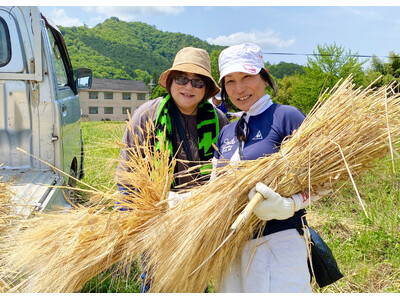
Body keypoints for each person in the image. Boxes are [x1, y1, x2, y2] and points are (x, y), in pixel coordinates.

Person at [116, 46, 229, 292]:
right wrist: (128, 222)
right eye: (181, 79)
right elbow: (128, 174)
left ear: (206, 89)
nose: (188, 87)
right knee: (157, 280)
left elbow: (227, 174)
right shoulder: (147, 115)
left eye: (197, 82)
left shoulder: (219, 121)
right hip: (158, 219)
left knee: (197, 280)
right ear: (170, 82)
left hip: (200, 220)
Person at [214, 43, 317, 292]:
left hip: (278, 243)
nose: (239, 89)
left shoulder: (287, 117)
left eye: (247, 77)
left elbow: (324, 181)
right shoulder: (228, 130)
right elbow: (215, 188)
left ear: (264, 76)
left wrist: (290, 205)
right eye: (230, 81)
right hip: (231, 248)